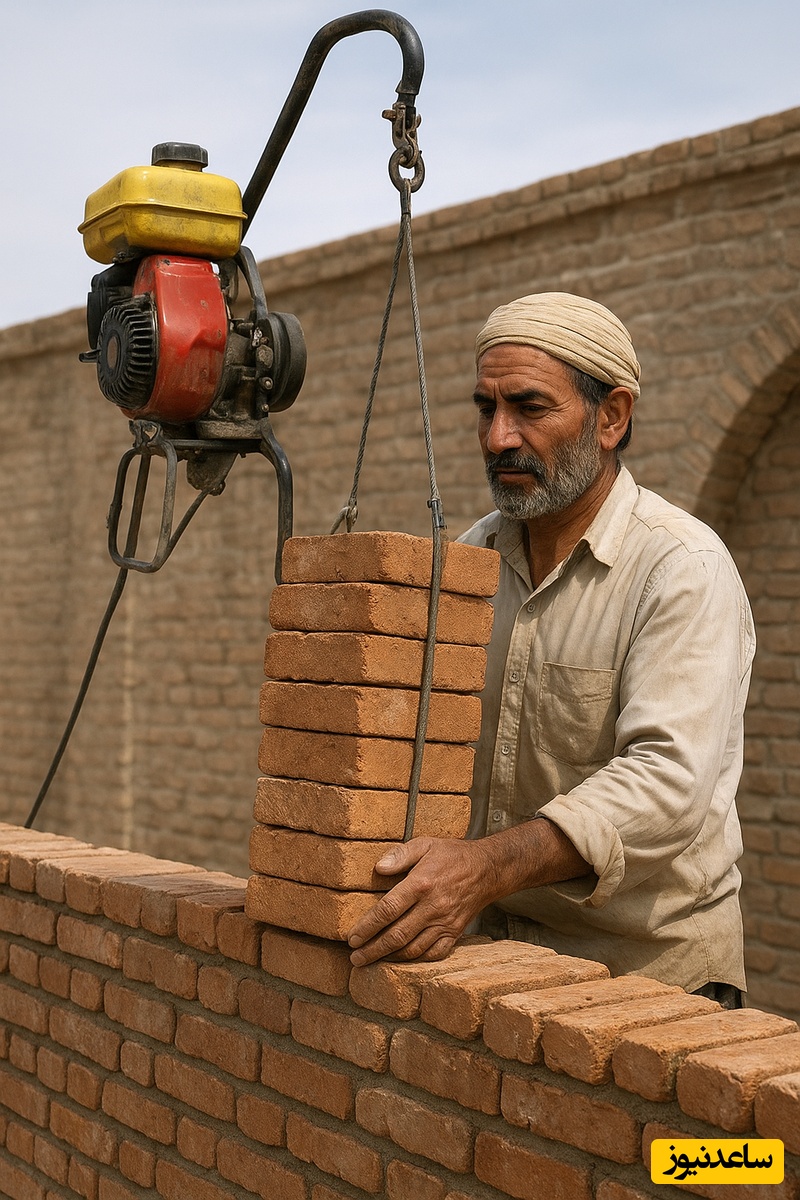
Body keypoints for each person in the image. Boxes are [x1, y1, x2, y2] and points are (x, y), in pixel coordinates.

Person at [347, 292, 754, 1003]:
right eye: (486, 409)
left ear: (611, 417)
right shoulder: (469, 561)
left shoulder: (680, 567)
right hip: (500, 969)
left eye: (530, 408)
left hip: (655, 978)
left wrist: (485, 868)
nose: (498, 437)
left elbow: (666, 782)